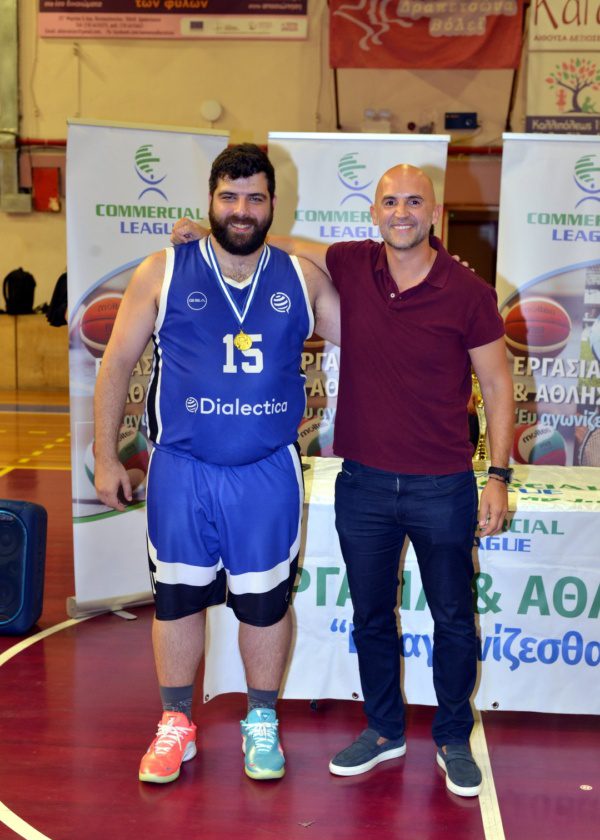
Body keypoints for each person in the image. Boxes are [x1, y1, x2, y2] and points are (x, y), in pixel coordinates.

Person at [173, 163, 514, 799]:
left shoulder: (467, 291)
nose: (401, 212)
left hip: (443, 486)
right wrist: (208, 233)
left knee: (453, 618)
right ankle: (384, 730)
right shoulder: (353, 264)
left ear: (434, 212)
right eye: (390, 202)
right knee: (371, 617)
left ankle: (451, 736)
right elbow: (279, 244)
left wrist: (496, 474)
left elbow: (497, 385)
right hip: (364, 483)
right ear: (374, 212)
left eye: (414, 201)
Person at [94, 143, 340, 785]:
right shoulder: (162, 270)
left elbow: (369, 334)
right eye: (229, 197)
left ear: (273, 205)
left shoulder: (301, 278)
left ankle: (261, 719)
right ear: (210, 200)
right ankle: (176, 722)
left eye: (255, 198)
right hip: (182, 469)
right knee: (176, 601)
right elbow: (116, 363)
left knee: (264, 605)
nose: (241, 210)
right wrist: (104, 455)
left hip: (265, 471)